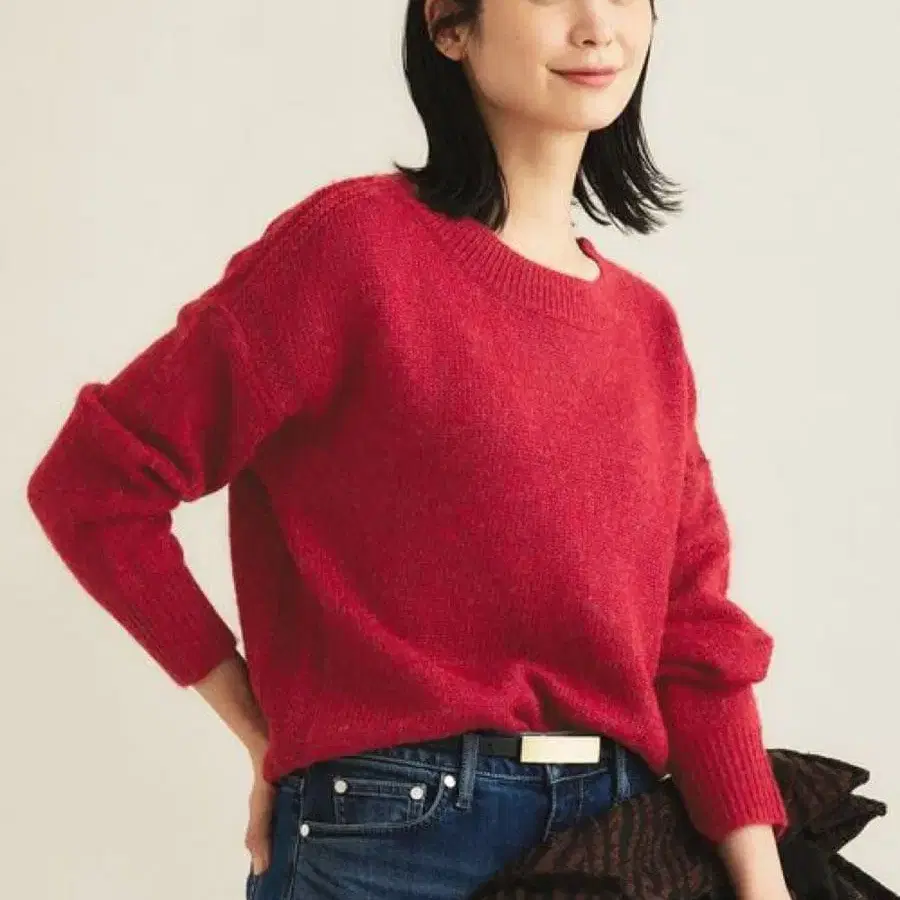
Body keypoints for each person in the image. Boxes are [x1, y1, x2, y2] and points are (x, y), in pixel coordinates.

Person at [26, 1, 793, 898]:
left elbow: (695, 634)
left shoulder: (645, 328)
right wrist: (265, 730)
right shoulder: (351, 249)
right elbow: (94, 484)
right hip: (391, 837)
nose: (598, 24)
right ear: (448, 26)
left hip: (612, 843)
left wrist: (763, 881)